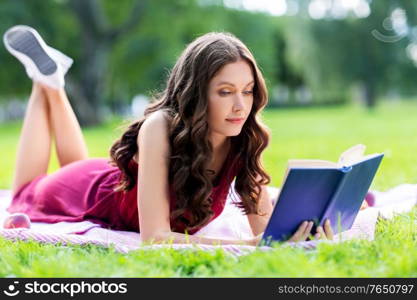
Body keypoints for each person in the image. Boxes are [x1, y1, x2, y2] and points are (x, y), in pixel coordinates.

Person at [3, 25, 334, 246]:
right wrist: (246, 246)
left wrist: (302, 234)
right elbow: (155, 237)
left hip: (107, 182)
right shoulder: (160, 126)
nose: (240, 106)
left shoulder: (245, 135)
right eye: (225, 91)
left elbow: (263, 231)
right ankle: (43, 82)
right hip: (83, 191)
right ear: (195, 93)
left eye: (247, 92)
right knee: (24, 192)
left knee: (73, 164)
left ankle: (52, 80)